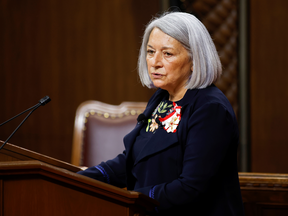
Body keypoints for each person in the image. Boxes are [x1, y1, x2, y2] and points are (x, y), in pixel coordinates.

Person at [77, 12, 244, 216]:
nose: (154, 62)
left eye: (167, 54)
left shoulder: (210, 108)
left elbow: (190, 187)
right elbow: (133, 162)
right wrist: (78, 179)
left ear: (195, 59)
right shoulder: (162, 98)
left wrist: (130, 200)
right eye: (150, 51)